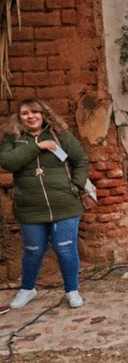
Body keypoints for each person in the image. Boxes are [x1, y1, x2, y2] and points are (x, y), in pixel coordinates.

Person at [1, 98, 89, 310]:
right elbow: (8, 162)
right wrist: (38, 146)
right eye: (25, 113)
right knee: (33, 249)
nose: (30, 116)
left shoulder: (60, 136)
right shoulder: (13, 139)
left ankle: (72, 291)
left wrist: (76, 186)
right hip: (30, 207)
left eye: (35, 112)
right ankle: (28, 289)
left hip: (64, 204)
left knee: (65, 247)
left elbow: (81, 161)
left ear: (43, 114)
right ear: (19, 118)